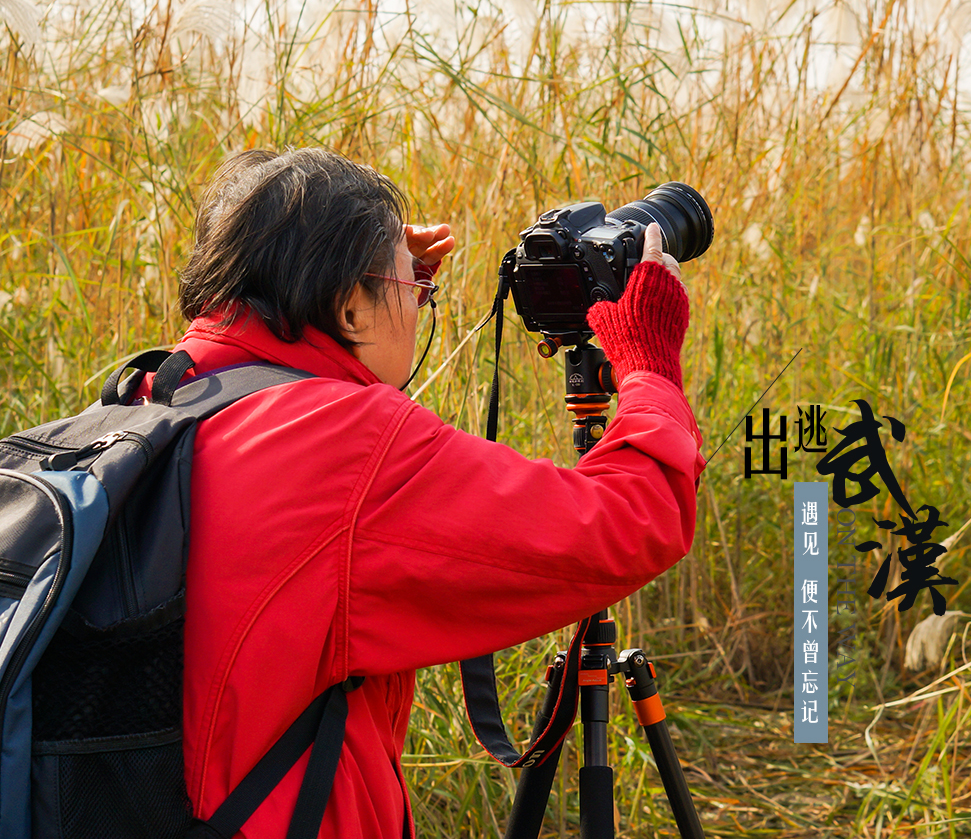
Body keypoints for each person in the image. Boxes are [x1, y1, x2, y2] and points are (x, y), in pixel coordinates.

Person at [165, 147, 704, 838]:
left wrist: (364, 287)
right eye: (407, 288)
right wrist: (651, 367)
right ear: (350, 306)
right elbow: (628, 523)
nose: (419, 303)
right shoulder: (348, 448)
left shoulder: (160, 397)